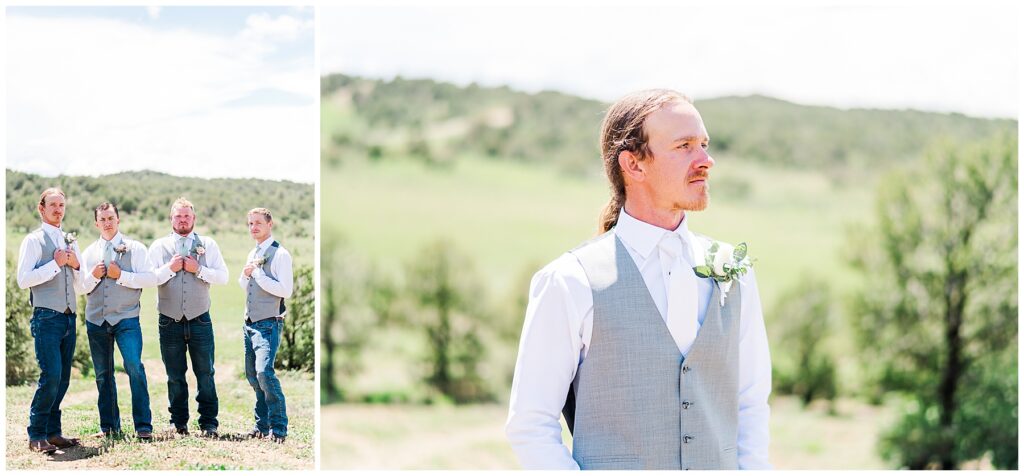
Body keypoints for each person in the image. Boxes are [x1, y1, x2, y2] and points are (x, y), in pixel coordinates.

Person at [505, 90, 772, 470]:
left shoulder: (736, 273)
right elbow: (530, 425)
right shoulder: (569, 282)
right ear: (634, 164)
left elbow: (751, 404)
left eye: (704, 144)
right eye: (684, 146)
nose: (705, 160)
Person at [148, 197, 228, 437]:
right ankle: (178, 422)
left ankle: (209, 423)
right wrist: (168, 270)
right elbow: (149, 278)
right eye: (178, 216)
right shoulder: (158, 246)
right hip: (168, 320)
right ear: (171, 219)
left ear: (194, 218)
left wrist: (199, 270)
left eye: (187, 216)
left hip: (200, 318)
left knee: (205, 373)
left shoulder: (208, 244)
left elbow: (223, 277)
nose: (183, 220)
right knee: (174, 375)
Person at [80, 202, 158, 440]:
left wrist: (120, 276)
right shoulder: (88, 252)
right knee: (103, 374)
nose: (107, 222)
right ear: (96, 223)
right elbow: (81, 287)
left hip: (126, 319)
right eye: (102, 219)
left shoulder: (135, 248)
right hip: (96, 321)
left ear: (118, 219)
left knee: (134, 367)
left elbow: (150, 279)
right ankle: (109, 427)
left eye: (111, 218)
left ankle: (143, 426)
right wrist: (93, 276)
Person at [17, 187, 86, 454]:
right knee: (51, 375)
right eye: (53, 205)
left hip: (70, 318)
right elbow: (24, 280)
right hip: (46, 317)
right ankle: (36, 434)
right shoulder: (33, 241)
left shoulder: (70, 241)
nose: (58, 210)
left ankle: (53, 433)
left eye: (62, 205)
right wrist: (56, 264)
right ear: (41, 208)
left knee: (64, 379)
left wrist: (77, 266)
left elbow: (80, 287)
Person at [238, 207, 293, 443]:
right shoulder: (253, 252)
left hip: (269, 323)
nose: (253, 227)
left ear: (270, 224)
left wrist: (258, 274)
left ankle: (279, 428)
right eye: (250, 223)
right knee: (252, 376)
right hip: (249, 323)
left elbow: (285, 290)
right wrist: (247, 275)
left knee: (264, 373)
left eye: (258, 223)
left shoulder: (281, 255)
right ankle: (261, 425)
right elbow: (246, 286)